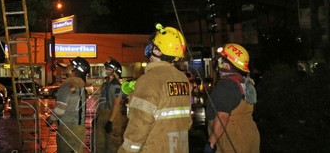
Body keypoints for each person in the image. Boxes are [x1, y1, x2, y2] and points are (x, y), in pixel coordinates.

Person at [119, 24, 192, 153]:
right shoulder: (182, 79)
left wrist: (126, 151)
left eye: (153, 45)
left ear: (158, 51)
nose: (149, 48)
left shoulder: (149, 80)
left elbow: (139, 124)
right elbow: (187, 122)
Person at [204, 43, 259, 153]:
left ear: (227, 66)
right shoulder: (244, 82)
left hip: (232, 138)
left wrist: (211, 143)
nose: (217, 64)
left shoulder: (226, 86)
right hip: (249, 135)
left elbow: (222, 117)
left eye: (220, 61)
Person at [47, 56, 90, 153]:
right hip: (78, 129)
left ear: (74, 70)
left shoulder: (67, 87)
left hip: (67, 131)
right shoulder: (79, 86)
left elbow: (60, 110)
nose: (67, 66)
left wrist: (50, 120)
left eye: (70, 65)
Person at [93, 57, 126, 153]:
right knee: (99, 144)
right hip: (102, 116)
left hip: (113, 117)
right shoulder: (105, 84)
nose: (105, 71)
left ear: (113, 71)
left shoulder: (116, 86)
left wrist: (110, 121)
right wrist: (97, 117)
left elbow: (116, 104)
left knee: (112, 145)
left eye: (108, 69)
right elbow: (101, 102)